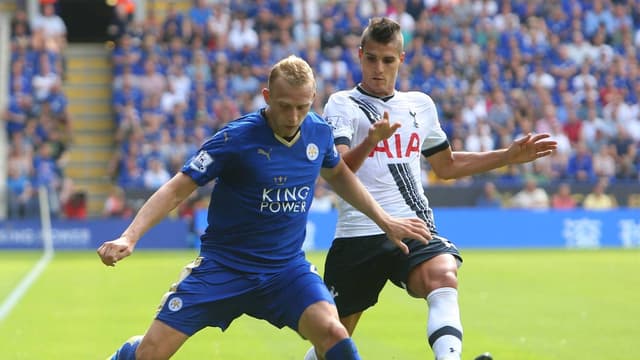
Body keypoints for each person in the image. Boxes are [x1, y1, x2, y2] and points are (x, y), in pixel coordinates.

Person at [97, 55, 430, 360]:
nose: (294, 117)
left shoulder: (318, 133)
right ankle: (128, 352)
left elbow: (340, 176)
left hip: (285, 272)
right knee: (150, 354)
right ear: (267, 96)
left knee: (333, 332)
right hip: (224, 268)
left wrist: (385, 220)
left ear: (312, 100)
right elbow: (175, 190)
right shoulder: (236, 139)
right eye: (285, 106)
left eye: (302, 107)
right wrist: (130, 236)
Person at [304, 17, 557, 360]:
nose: (379, 68)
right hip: (360, 233)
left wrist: (507, 156)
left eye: (388, 60)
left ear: (401, 59)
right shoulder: (342, 104)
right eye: (372, 59)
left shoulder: (419, 105)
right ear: (360, 56)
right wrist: (372, 142)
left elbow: (446, 165)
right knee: (333, 340)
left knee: (443, 276)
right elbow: (339, 172)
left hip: (412, 225)